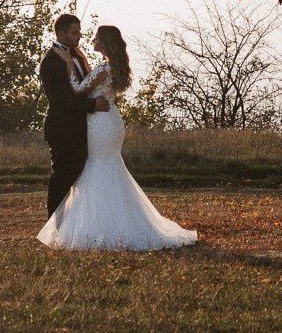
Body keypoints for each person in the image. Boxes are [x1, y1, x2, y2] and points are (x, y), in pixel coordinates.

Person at [38, 23, 199, 251]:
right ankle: (113, 219)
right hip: (110, 120)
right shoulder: (109, 66)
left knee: (98, 168)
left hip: (100, 123)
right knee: (108, 167)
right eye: (80, 33)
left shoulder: (103, 67)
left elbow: (76, 88)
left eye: (94, 38)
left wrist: (68, 64)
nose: (88, 39)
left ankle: (98, 225)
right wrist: (79, 65)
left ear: (104, 43)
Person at [39, 13, 109, 216]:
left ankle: (76, 220)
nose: (80, 36)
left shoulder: (77, 55)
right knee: (62, 176)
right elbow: (60, 99)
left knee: (80, 175)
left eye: (79, 31)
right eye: (74, 32)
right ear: (61, 33)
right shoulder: (51, 60)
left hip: (81, 127)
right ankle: (54, 224)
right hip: (62, 128)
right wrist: (92, 105)